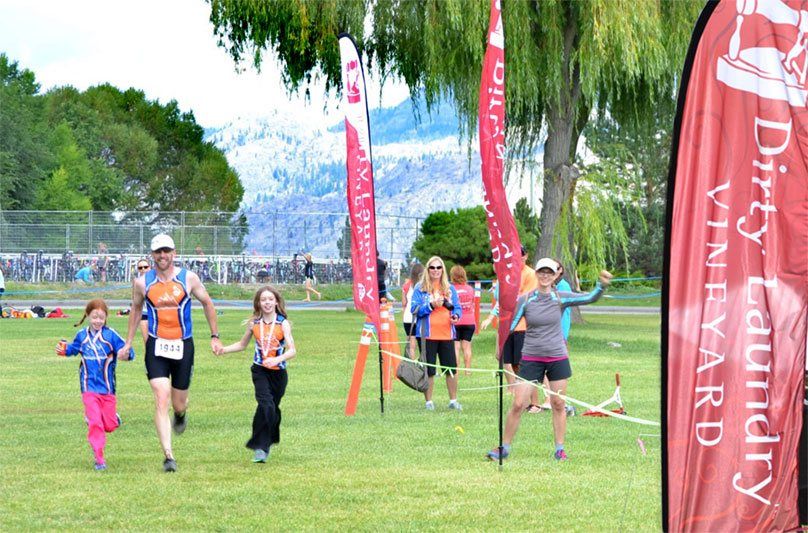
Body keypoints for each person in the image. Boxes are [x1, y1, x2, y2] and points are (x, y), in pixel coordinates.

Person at [486, 258, 612, 461]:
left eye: (549, 272)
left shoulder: (561, 297)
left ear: (555, 276)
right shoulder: (526, 300)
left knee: (558, 403)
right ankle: (504, 447)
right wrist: (500, 347)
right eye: (541, 272)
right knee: (518, 403)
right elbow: (510, 326)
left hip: (557, 357)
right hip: (531, 357)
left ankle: (559, 449)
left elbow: (589, 298)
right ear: (536, 273)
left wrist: (601, 287)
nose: (545, 275)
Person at [116, 234, 223, 473]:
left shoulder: (189, 278)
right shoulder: (143, 282)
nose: (162, 256)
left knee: (178, 401)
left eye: (166, 251)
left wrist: (214, 336)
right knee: (160, 396)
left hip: (183, 345)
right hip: (156, 345)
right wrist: (128, 342)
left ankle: (181, 414)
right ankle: (168, 455)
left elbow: (207, 303)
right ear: (152, 255)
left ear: (174, 253)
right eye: (157, 252)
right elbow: (135, 309)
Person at [215, 286, 297, 463]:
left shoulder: (283, 323)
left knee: (271, 409)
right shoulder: (255, 324)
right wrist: (224, 349)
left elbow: (292, 351)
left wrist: (277, 360)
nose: (267, 303)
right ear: (258, 303)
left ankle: (266, 441)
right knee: (266, 405)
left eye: (270, 299)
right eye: (263, 300)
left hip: (278, 374)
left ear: (276, 302)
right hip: (260, 371)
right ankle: (261, 447)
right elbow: (242, 344)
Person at [56, 299, 134, 470]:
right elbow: (73, 349)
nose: (97, 321)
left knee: (110, 425)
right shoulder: (82, 336)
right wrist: (65, 350)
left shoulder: (111, 335)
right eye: (94, 317)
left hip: (107, 389)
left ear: (106, 318)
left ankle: (113, 419)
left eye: (101, 317)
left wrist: (126, 354)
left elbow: (128, 351)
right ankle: (99, 458)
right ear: (88, 316)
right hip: (88, 388)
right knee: (96, 424)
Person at [481, 246, 537, 398]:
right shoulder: (507, 275)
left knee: (524, 364)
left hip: (522, 327)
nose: (516, 259)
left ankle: (534, 401)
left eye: (520, 255)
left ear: (525, 256)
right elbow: (501, 301)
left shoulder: (531, 274)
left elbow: (526, 299)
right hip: (507, 326)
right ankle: (520, 393)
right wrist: (490, 317)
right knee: (510, 363)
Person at [411, 256, 462, 411]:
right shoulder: (420, 288)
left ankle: (453, 400)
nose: (435, 271)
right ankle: (429, 402)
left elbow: (457, 307)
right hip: (427, 336)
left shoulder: (450, 288)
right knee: (429, 370)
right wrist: (431, 305)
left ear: (443, 270)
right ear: (427, 270)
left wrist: (456, 316)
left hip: (446, 334)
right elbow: (414, 310)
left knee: (451, 369)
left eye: (438, 268)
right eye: (432, 268)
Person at [450, 265, 476, 376]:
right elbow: (473, 304)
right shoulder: (470, 289)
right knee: (467, 346)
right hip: (469, 320)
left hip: (456, 320)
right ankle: (468, 370)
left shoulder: (451, 289)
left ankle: (456, 370)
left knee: (456, 347)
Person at [401, 263, 424, 356]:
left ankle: (411, 363)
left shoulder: (406, 286)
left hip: (408, 317)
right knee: (421, 343)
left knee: (410, 342)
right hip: (420, 316)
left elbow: (403, 303)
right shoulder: (423, 285)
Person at [134, 259, 151, 345]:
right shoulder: (137, 282)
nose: (143, 269)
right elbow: (135, 301)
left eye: (145, 267)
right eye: (140, 268)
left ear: (149, 268)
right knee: (147, 342)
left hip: (154, 313)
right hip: (143, 313)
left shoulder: (155, 280)